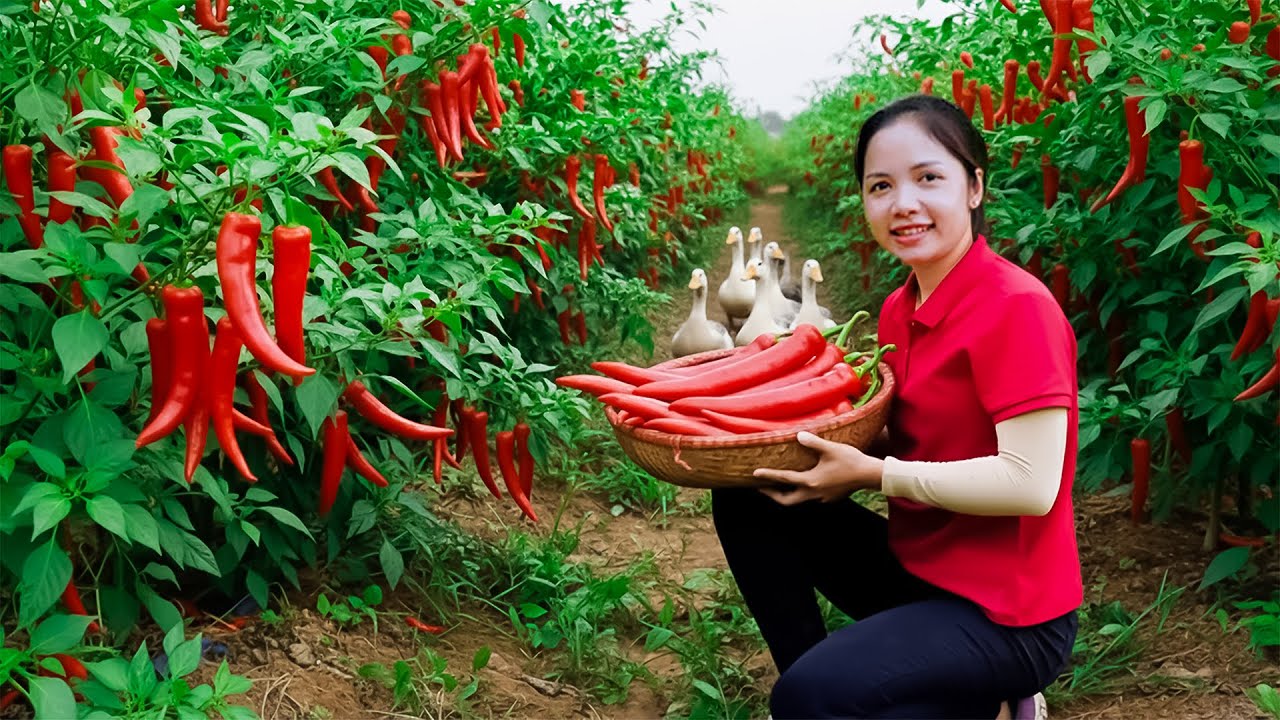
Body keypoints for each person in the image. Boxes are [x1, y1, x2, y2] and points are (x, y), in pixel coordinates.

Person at [712, 94, 1082, 720]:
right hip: (922, 573)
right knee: (750, 497)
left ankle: (993, 698)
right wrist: (798, 436)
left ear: (974, 187)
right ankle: (843, 687)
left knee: (807, 699)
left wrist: (873, 474)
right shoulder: (899, 307)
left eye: (928, 178)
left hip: (1010, 615)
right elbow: (909, 433)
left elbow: (1031, 484)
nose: (903, 203)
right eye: (880, 186)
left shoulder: (1016, 308)